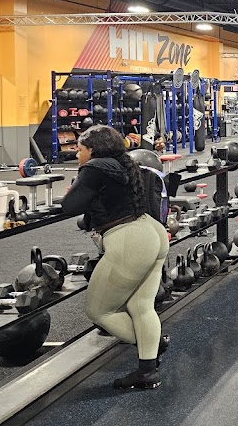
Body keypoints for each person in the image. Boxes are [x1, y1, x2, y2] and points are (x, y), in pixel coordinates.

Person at [60, 125, 169, 390]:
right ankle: (147, 372)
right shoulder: (125, 162)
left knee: (99, 310)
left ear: (92, 150)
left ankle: (153, 345)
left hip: (130, 240)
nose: (77, 155)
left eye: (79, 150)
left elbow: (69, 206)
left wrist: (76, 185)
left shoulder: (94, 168)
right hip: (151, 231)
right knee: (141, 306)